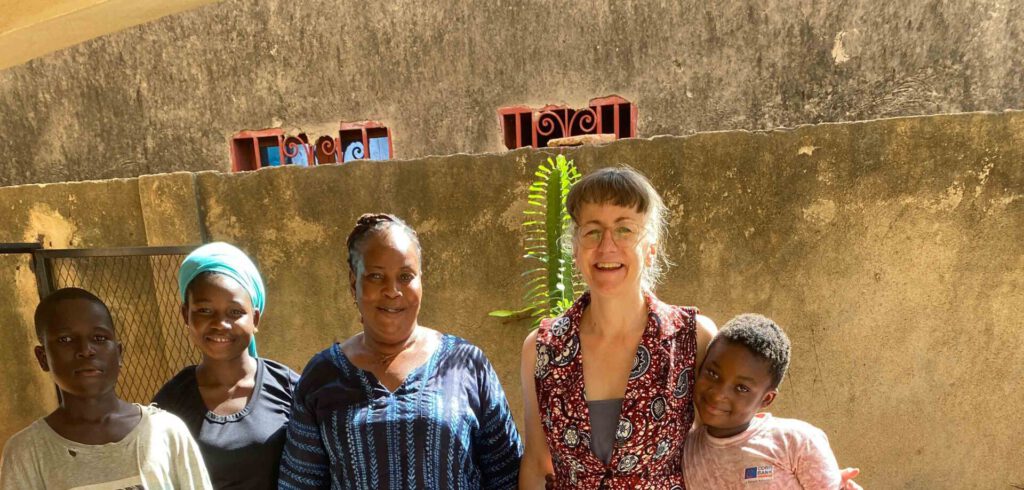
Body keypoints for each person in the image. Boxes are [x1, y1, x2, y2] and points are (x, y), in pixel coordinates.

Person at [279, 213, 523, 489]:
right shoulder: (322, 375)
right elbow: (299, 484)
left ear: (421, 281)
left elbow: (508, 475)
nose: (392, 291)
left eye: (406, 276)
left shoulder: (465, 364)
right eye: (375, 276)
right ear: (353, 283)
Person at [520, 166, 719, 489]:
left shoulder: (693, 337)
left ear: (651, 249)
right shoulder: (541, 349)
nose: (606, 246)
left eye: (625, 230)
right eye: (592, 231)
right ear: (575, 249)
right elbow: (536, 464)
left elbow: (728, 442)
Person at [0, 287, 211, 489]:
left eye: (99, 338)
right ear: (43, 357)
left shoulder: (167, 431)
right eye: (65, 340)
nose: (85, 350)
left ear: (119, 353)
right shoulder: (27, 452)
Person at [153, 242, 299, 489]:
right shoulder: (171, 401)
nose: (220, 323)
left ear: (255, 318)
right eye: (205, 310)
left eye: (234, 312)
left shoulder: (289, 389)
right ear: (185, 315)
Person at [683, 314, 847, 489]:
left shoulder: (795, 442)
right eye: (713, 374)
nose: (718, 394)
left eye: (741, 388)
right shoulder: (687, 450)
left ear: (766, 399)